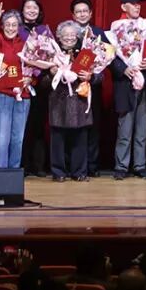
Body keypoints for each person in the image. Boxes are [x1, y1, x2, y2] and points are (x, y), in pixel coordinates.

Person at [109, 0, 146, 180]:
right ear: (123, 7)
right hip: (125, 84)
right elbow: (109, 57)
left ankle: (140, 165)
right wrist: (124, 69)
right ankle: (121, 166)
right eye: (133, 3)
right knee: (125, 129)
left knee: (142, 129)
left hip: (145, 82)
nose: (137, 7)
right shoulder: (115, 29)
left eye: (139, 4)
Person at [43, 20, 95, 182]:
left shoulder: (85, 53)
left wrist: (90, 76)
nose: (69, 38)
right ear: (59, 37)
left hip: (80, 102)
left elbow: (100, 76)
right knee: (58, 140)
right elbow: (42, 83)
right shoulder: (51, 53)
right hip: (59, 102)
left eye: (73, 35)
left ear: (77, 36)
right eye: (65, 35)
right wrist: (51, 74)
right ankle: (58, 172)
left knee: (80, 139)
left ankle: (79, 172)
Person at [0, 1, 30, 169]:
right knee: (2, 139)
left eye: (14, 25)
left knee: (18, 139)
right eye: (7, 25)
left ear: (19, 27)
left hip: (23, 97)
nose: (11, 28)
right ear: (2, 26)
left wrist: (31, 80)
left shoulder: (26, 43)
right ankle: (1, 174)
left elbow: (34, 66)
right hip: (1, 95)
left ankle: (14, 174)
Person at [71, 0, 105, 176]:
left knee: (93, 127)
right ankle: (75, 166)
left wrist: (92, 76)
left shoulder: (99, 34)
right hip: (71, 89)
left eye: (85, 11)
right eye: (78, 12)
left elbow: (106, 63)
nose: (82, 14)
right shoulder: (68, 32)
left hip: (93, 87)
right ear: (73, 15)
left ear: (91, 13)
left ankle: (91, 166)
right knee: (74, 127)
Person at [20, 0, 51, 177]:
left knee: (38, 125)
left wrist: (41, 70)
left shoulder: (44, 30)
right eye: (28, 7)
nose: (32, 10)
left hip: (40, 84)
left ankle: (39, 165)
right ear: (22, 10)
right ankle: (22, 164)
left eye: (35, 8)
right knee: (22, 126)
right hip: (22, 82)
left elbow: (52, 54)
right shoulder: (16, 28)